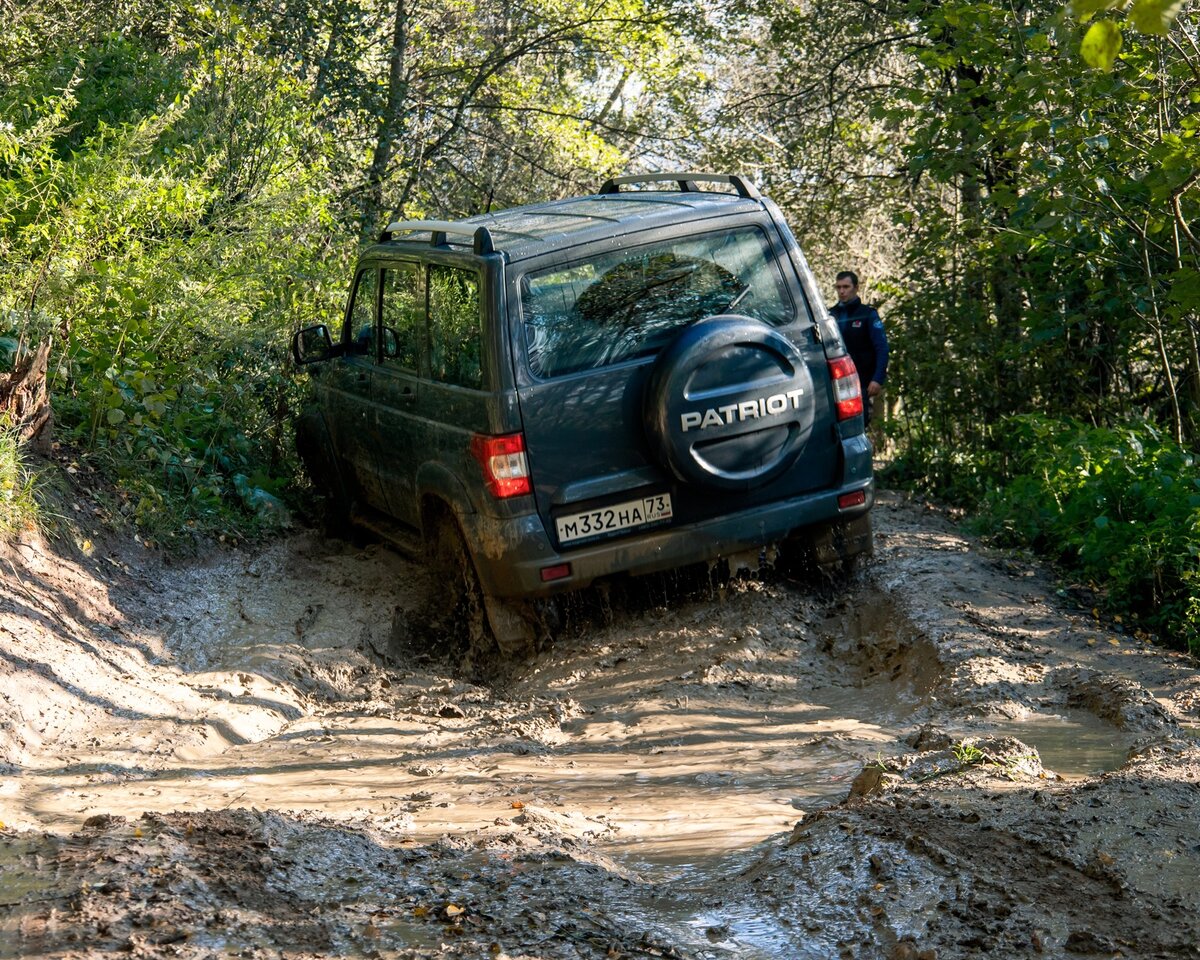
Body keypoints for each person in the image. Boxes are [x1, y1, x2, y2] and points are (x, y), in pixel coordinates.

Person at [829, 270, 888, 425]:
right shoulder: (830, 315)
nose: (842, 291)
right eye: (839, 287)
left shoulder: (868, 314)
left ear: (856, 288)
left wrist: (877, 379)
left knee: (859, 424)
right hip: (835, 382)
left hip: (861, 382)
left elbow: (882, 348)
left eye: (846, 287)